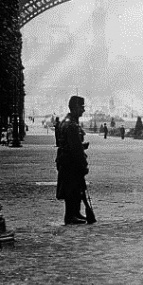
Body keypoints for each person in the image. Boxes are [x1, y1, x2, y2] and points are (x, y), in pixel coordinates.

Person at [55, 95, 89, 225]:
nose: (83, 110)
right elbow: (76, 149)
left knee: (74, 187)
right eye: (81, 107)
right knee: (72, 188)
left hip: (66, 160)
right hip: (71, 162)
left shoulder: (67, 122)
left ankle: (75, 213)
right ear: (75, 108)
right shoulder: (72, 125)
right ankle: (70, 215)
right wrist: (83, 164)